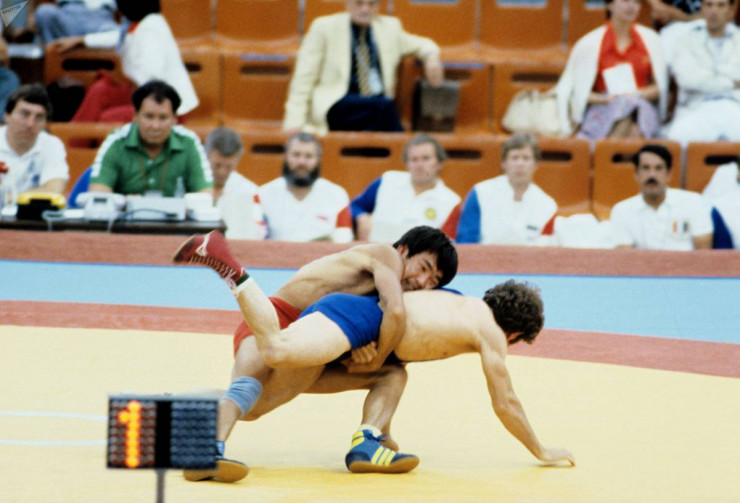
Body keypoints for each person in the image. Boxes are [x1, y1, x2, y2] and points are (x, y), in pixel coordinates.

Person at [174, 241, 575, 482]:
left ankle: (369, 440)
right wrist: (540, 449)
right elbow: (505, 402)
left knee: (391, 376)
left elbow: (404, 338)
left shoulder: (459, 305)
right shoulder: (487, 329)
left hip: (356, 328)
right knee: (277, 350)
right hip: (355, 318)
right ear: (515, 333)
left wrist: (386, 424)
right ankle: (232, 270)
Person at [173, 226, 458, 481]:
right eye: (424, 267)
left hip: (316, 343)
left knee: (392, 374)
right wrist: (377, 359)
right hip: (276, 318)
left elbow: (357, 326)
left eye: (434, 280)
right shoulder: (387, 256)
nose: (423, 282)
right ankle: (209, 453)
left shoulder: (387, 288)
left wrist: (365, 354)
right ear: (404, 250)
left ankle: (373, 439)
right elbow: (395, 311)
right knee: (247, 389)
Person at [282, 0, 443, 134]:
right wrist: (294, 122)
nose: (365, 9)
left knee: (381, 110)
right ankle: (402, 151)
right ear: (347, 4)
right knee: (384, 107)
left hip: (377, 106)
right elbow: (304, 78)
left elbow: (423, 44)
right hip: (338, 103)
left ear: (378, 6)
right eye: (359, 3)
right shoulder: (324, 27)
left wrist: (432, 57)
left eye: (371, 4)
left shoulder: (389, 27)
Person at [60, 0, 198, 123]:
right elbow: (120, 38)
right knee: (101, 90)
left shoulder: (151, 27)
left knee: (108, 118)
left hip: (165, 104)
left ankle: (77, 139)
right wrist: (82, 40)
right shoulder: (142, 23)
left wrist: (119, 78)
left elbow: (150, 77)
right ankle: (73, 138)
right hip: (146, 95)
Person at [555, 0, 668, 140]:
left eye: (636, 2)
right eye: (625, 0)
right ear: (609, 4)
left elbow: (659, 87)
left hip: (640, 106)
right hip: (604, 106)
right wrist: (605, 99)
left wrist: (634, 95)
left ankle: (608, 150)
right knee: (626, 119)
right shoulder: (590, 43)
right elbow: (580, 92)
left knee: (630, 110)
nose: (631, 6)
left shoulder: (651, 40)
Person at [88, 80, 212, 196]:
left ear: (175, 119)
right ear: (135, 116)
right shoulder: (117, 141)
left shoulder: (188, 142)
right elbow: (98, 194)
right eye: (149, 116)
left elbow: (206, 194)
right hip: (125, 212)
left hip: (177, 213)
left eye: (163, 118)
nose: (155, 126)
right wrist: (125, 204)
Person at [351, 134, 461, 242]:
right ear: (407, 164)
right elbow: (353, 206)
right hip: (376, 249)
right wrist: (361, 217)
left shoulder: (451, 202)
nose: (419, 165)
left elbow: (448, 245)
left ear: (439, 163)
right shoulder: (387, 181)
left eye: (426, 158)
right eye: (414, 159)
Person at [456, 133, 557, 245]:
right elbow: (466, 243)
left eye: (526, 158)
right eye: (514, 158)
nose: (520, 164)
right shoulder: (480, 193)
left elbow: (547, 250)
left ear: (536, 164)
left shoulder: (547, 205)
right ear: (503, 163)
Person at [663, 0, 740, 145]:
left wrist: (708, 77)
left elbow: (699, 79)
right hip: (696, 106)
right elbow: (687, 79)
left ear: (731, 11)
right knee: (676, 139)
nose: (714, 11)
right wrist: (731, 83)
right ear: (702, 8)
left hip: (735, 105)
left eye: (720, 5)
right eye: (709, 5)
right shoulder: (686, 40)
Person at [610, 144, 713, 250]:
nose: (652, 175)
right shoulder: (622, 211)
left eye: (658, 168)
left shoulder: (694, 203)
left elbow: (704, 253)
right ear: (636, 174)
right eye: (645, 168)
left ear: (669, 174)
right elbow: (625, 257)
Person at [259, 132, 353, 242]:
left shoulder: (337, 195)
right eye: (296, 155)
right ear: (286, 157)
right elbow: (255, 238)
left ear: (319, 159)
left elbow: (344, 240)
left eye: (308, 156)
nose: (302, 162)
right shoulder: (264, 194)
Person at [0, 84, 68, 204]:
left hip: (31, 214)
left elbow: (54, 190)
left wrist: (7, 199)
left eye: (39, 117)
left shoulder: (52, 145)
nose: (30, 123)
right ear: (6, 116)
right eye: (24, 114)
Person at [204, 127, 266, 240]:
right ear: (206, 157)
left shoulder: (249, 191)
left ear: (237, 160)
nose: (222, 172)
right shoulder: (190, 184)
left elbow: (257, 233)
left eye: (229, 167)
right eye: (217, 165)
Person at [34, 0, 119, 45]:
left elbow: (120, 36)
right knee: (45, 12)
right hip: (68, 15)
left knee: (121, 36)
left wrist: (81, 40)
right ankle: (52, 62)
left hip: (101, 18)